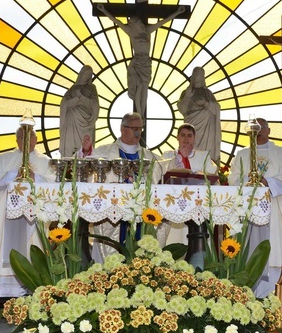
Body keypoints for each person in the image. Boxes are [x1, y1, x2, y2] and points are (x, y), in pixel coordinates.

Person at [0, 127, 55, 310]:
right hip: (7, 217)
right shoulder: (4, 160)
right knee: (5, 248)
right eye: (22, 136)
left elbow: (54, 185)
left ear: (36, 140)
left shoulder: (46, 162)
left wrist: (35, 178)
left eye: (30, 136)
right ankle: (1, 294)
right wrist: (13, 175)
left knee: (32, 247)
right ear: (16, 140)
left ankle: (31, 290)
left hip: (33, 216)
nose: (26, 140)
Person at [229, 118, 282, 298]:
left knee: (272, 247)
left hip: (272, 206)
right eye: (253, 128)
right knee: (247, 246)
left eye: (260, 128)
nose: (257, 131)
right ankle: (247, 292)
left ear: (268, 130)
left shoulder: (281, 153)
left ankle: (271, 293)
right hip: (247, 208)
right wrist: (249, 182)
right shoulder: (242, 154)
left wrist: (267, 182)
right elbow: (233, 179)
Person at [91, 112, 163, 260]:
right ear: (122, 129)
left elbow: (161, 178)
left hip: (142, 211)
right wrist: (85, 151)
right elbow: (87, 170)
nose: (138, 132)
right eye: (134, 128)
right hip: (113, 212)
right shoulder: (103, 152)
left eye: (140, 129)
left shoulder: (150, 157)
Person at [98, 3, 185, 116]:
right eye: (135, 23)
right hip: (137, 62)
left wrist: (177, 12)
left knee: (144, 88)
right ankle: (139, 114)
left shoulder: (147, 30)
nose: (138, 24)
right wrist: (104, 10)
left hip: (146, 63)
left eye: (138, 22)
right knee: (139, 88)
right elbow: (116, 21)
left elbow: (162, 22)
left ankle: (141, 114)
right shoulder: (131, 32)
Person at [159, 123, 217, 246]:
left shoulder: (203, 155)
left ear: (194, 138)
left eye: (189, 136)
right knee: (174, 238)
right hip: (173, 202)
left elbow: (211, 175)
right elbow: (162, 174)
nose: (186, 139)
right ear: (177, 137)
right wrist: (180, 158)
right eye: (183, 135)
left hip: (197, 202)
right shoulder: (168, 155)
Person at [177, 67, 221, 160]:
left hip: (206, 127)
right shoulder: (186, 92)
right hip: (191, 121)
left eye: (200, 74)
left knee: (205, 155)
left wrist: (206, 104)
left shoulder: (208, 93)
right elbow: (182, 109)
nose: (197, 77)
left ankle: (207, 162)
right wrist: (187, 97)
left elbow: (216, 108)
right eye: (195, 74)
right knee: (189, 142)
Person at [60, 65, 99, 158]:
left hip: (87, 122)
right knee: (71, 150)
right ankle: (69, 162)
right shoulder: (72, 89)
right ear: (81, 74)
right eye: (85, 74)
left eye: (89, 75)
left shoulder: (92, 88)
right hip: (72, 122)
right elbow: (64, 104)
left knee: (85, 145)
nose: (87, 77)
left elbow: (95, 104)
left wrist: (82, 97)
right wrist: (76, 99)